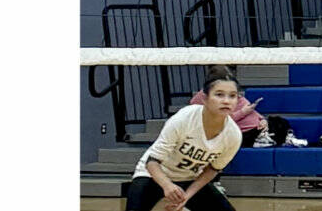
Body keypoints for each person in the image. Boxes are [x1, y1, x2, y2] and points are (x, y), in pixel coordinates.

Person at [126, 69, 243, 211]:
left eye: (232, 96)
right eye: (219, 94)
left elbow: (213, 169)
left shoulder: (233, 135)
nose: (226, 101)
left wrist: (186, 196)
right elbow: (152, 162)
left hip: (189, 178)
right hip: (154, 174)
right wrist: (167, 185)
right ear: (204, 98)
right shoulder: (184, 118)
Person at [188, 66, 305, 149]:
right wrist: (243, 112)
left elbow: (249, 108)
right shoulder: (204, 97)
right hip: (242, 131)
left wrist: (262, 120)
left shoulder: (232, 90)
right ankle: (264, 139)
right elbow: (222, 120)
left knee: (278, 121)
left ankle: (280, 138)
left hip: (257, 125)